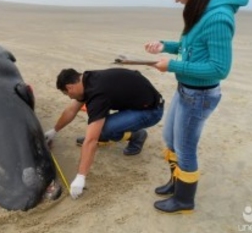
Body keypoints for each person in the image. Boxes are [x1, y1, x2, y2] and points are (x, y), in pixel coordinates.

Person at [144, 0, 249, 214]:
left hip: (200, 95)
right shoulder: (200, 7)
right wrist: (165, 46)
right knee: (170, 138)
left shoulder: (218, 17)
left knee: (186, 148)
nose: (176, 0)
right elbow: (190, 45)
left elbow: (218, 68)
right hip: (185, 89)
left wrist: (173, 65)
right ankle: (176, 181)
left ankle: (184, 200)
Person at [44, 68, 164, 199]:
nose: (70, 97)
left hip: (151, 111)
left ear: (70, 87)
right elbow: (71, 110)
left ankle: (136, 136)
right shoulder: (87, 79)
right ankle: (114, 134)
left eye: (67, 94)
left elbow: (90, 141)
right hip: (137, 101)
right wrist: (54, 131)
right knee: (96, 121)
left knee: (102, 129)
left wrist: (80, 177)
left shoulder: (97, 94)